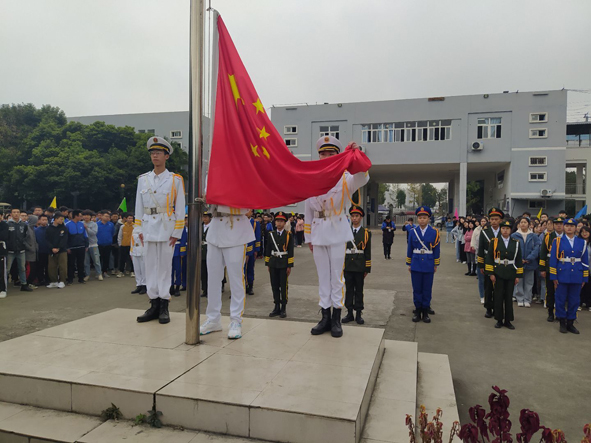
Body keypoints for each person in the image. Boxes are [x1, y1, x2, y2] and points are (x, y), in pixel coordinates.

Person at [304, 136, 369, 338]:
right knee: (322, 276)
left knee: (336, 277)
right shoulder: (311, 178)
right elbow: (308, 210)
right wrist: (308, 238)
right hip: (318, 231)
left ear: (337, 156)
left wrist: (357, 154)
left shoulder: (345, 178)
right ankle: (324, 316)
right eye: (323, 153)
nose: (326, 157)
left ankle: (336, 318)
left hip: (337, 229)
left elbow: (363, 177)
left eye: (331, 154)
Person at [134, 136, 186, 325]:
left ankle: (164, 304)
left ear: (166, 156)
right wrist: (137, 229)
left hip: (166, 228)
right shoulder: (143, 180)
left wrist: (177, 232)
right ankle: (153, 304)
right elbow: (138, 206)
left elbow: (180, 207)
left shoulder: (175, 180)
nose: (154, 155)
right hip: (147, 227)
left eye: (158, 153)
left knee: (164, 267)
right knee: (149, 267)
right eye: (152, 153)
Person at [549, 218, 588, 334]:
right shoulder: (557, 241)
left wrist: (584, 277)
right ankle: (562, 322)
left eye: (572, 226)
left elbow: (585, 261)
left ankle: (571, 322)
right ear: (564, 227)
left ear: (576, 228)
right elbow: (553, 260)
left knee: (574, 300)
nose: (569, 228)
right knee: (560, 299)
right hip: (562, 273)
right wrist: (554, 276)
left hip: (577, 273)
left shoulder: (582, 242)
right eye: (567, 226)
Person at [486, 220, 523, 329]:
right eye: (503, 228)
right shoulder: (494, 242)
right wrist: (491, 273)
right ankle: (499, 319)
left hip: (511, 272)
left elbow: (518, 259)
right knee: (498, 297)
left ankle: (508, 320)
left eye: (507, 229)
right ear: (500, 229)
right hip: (498, 272)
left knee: (508, 297)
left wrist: (518, 275)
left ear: (511, 230)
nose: (505, 230)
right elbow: (489, 258)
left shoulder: (516, 242)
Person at [406, 206, 441, 323]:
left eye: (424, 217)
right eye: (420, 217)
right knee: (416, 288)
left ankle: (425, 311)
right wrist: (409, 263)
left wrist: (435, 264)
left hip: (428, 262)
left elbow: (436, 249)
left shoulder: (434, 232)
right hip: (416, 262)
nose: (422, 220)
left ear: (428, 219)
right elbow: (410, 247)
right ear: (417, 219)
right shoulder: (412, 232)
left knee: (427, 288)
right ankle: (418, 310)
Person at [343, 206, 371, 325]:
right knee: (349, 289)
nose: (354, 218)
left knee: (359, 290)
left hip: (359, 265)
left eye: (357, 216)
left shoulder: (366, 233)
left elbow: (368, 252)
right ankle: (349, 313)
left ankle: (359, 313)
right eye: (353, 216)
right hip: (348, 265)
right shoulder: (345, 232)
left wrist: (367, 268)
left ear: (361, 217)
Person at [265, 211, 294, 318]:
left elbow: (290, 250)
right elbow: (268, 249)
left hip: (283, 263)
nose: (279, 223)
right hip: (273, 262)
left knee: (283, 286)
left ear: (285, 222)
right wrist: (267, 263)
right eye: (277, 221)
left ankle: (283, 307)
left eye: (281, 221)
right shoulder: (271, 234)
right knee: (274, 285)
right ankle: (276, 306)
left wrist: (289, 265)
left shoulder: (288, 235)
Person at [478, 208, 504, 318]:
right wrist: (481, 265)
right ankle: (488, 308)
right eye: (492, 219)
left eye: (496, 219)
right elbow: (480, 249)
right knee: (488, 287)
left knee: (499, 287)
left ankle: (497, 308)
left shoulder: (504, 231)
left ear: (500, 220)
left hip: (500, 262)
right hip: (488, 263)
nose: (494, 221)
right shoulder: (484, 232)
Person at [511, 217, 540, 308]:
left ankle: (527, 299)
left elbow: (537, 248)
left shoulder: (533, 236)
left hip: (530, 262)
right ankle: (520, 298)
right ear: (518, 224)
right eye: (521, 222)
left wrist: (530, 258)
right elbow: (512, 249)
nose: (523, 224)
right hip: (518, 263)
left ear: (528, 224)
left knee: (529, 282)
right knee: (519, 281)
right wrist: (519, 259)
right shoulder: (514, 235)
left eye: (525, 222)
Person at [539, 217, 564, 322]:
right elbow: (543, 253)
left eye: (561, 224)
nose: (558, 226)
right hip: (550, 267)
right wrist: (543, 268)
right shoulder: (548, 236)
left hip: (563, 267)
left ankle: (560, 313)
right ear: (553, 225)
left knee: (561, 292)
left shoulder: (567, 237)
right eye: (556, 224)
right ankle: (550, 312)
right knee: (550, 291)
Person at [5, 208, 32, 292]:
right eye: (14, 212)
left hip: (21, 250)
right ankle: (3, 286)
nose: (16, 214)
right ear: (11, 214)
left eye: (17, 212)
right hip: (10, 251)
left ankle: (24, 284)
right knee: (7, 269)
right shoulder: (7, 224)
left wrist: (24, 245)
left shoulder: (24, 225)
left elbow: (25, 236)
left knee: (22, 268)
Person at [46, 212, 68, 289]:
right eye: (60, 219)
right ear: (55, 219)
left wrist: (59, 248)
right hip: (51, 250)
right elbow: (47, 239)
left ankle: (62, 281)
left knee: (63, 266)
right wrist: (52, 248)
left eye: (62, 219)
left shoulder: (64, 228)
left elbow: (64, 239)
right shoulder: (49, 228)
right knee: (51, 267)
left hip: (62, 250)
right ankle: (54, 281)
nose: (62, 220)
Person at [66, 209, 88, 285]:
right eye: (80, 216)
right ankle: (70, 279)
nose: (82, 217)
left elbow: (85, 235)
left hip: (81, 246)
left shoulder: (82, 224)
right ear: (76, 216)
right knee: (71, 264)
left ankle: (81, 278)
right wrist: (67, 247)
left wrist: (86, 245)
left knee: (81, 263)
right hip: (72, 247)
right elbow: (66, 237)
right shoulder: (68, 225)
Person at [82, 210, 103, 281]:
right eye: (84, 215)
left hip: (93, 244)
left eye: (88, 215)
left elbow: (93, 233)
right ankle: (87, 275)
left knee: (96, 260)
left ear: (91, 217)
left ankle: (99, 274)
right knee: (86, 261)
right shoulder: (80, 223)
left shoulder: (94, 224)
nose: (86, 217)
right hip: (84, 245)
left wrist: (86, 228)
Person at [170, 215, 188, 297]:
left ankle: (177, 286)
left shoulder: (181, 226)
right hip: (169, 249)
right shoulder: (168, 225)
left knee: (178, 270)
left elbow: (183, 240)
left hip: (177, 249)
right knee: (169, 270)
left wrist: (182, 252)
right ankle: (171, 286)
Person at [245, 211, 261, 295]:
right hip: (240, 249)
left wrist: (257, 249)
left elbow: (258, 236)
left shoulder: (255, 223)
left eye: (249, 210)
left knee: (250, 268)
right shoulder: (239, 221)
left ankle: (250, 287)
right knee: (239, 270)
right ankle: (240, 288)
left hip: (251, 249)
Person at [130, 220, 147, 295]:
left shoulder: (146, 228)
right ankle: (138, 285)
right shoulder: (134, 229)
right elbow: (132, 242)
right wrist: (131, 252)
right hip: (135, 250)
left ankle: (144, 285)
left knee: (143, 269)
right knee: (137, 269)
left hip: (143, 251)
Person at [97, 211, 115, 279]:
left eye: (108, 216)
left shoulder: (111, 225)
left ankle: (105, 271)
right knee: (99, 259)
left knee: (106, 258)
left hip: (108, 244)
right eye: (106, 216)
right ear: (101, 216)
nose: (107, 218)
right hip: (99, 244)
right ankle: (99, 272)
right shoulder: (97, 224)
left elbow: (113, 233)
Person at [116, 213, 135, 278]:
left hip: (132, 246)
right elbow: (120, 236)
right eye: (129, 218)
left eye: (131, 218)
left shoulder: (134, 226)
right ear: (126, 219)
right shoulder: (122, 226)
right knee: (122, 259)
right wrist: (120, 244)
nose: (130, 219)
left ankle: (132, 271)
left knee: (132, 259)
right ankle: (121, 271)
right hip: (124, 245)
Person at [24, 214, 39, 288]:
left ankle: (30, 282)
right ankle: (27, 283)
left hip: (34, 253)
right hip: (29, 253)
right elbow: (23, 241)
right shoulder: (27, 228)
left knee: (33, 269)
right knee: (29, 269)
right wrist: (30, 248)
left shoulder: (33, 228)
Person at [578, 226, 591, 311]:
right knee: (580, 287)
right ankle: (579, 303)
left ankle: (589, 304)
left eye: (586, 231)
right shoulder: (578, 243)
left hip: (590, 268)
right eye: (583, 232)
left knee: (589, 287)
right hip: (580, 268)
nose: (585, 233)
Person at [35, 214, 50, 286]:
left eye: (46, 220)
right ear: (39, 221)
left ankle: (47, 279)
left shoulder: (50, 229)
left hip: (49, 251)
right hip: (40, 251)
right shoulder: (36, 230)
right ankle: (40, 279)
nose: (44, 221)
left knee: (48, 266)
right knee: (40, 266)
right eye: (43, 220)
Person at [200, 211, 212, 298]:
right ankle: (204, 289)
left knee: (210, 272)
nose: (204, 219)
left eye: (206, 217)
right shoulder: (200, 226)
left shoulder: (212, 226)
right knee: (203, 272)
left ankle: (210, 290)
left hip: (209, 250)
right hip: (202, 251)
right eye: (203, 217)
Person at [0, 213, 8, 298]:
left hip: (1, 250)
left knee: (2, 271)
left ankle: (2, 289)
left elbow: (4, 236)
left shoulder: (4, 225)